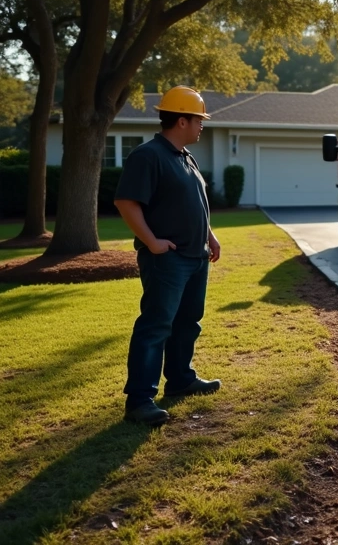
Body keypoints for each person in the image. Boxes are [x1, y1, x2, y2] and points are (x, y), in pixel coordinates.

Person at [113, 86, 222, 426]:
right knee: (156, 324)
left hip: (195, 257)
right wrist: (152, 242)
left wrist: (210, 236)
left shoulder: (184, 156)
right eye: (198, 120)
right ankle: (140, 399)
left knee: (187, 322)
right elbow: (126, 202)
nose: (202, 125)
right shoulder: (148, 156)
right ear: (181, 120)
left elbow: (193, 204)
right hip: (167, 260)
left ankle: (180, 380)